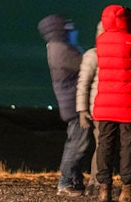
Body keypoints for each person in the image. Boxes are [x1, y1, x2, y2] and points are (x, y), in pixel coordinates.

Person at [93, 4, 131, 202]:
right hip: (129, 101)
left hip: (105, 100)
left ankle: (104, 189)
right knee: (128, 145)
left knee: (105, 143)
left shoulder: (100, 41)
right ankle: (128, 190)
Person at [39, 14, 93, 197]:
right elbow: (86, 64)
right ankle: (65, 182)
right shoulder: (61, 49)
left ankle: (75, 180)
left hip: (71, 103)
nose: (71, 28)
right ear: (58, 29)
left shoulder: (57, 47)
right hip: (75, 105)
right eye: (66, 26)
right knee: (77, 145)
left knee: (76, 142)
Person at [77, 22, 103, 195]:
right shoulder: (93, 54)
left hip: (103, 107)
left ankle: (98, 182)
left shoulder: (95, 54)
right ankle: (95, 182)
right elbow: (83, 84)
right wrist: (82, 110)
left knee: (103, 147)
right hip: (98, 109)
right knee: (102, 147)